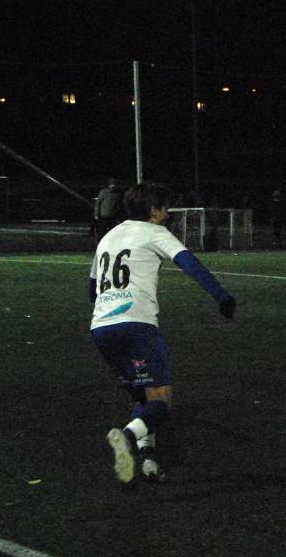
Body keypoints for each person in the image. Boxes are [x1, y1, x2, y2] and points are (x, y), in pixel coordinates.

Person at [89, 181, 236, 484]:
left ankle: (147, 461)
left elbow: (93, 289)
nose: (168, 215)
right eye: (165, 209)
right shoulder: (155, 232)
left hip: (101, 328)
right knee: (162, 403)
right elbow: (189, 263)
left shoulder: (108, 236)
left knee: (141, 399)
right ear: (154, 211)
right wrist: (221, 295)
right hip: (137, 325)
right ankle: (127, 436)